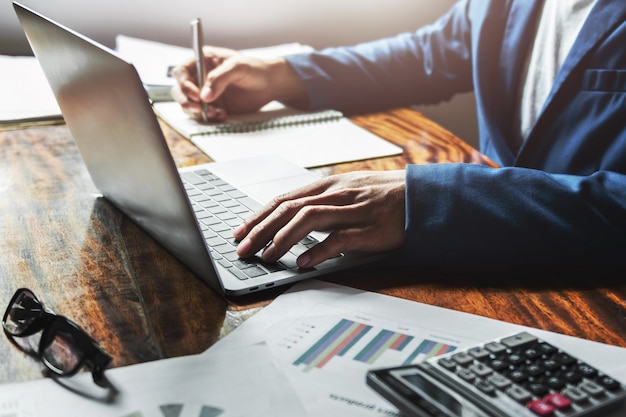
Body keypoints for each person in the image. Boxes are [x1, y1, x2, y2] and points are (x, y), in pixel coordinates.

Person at [171, 0, 626, 271]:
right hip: (490, 258)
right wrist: (283, 75)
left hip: (595, 286)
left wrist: (429, 198)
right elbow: (436, 51)